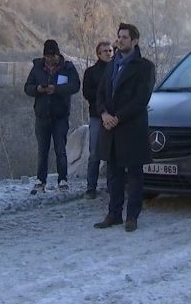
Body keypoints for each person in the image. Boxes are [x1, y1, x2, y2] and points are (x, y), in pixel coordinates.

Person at [93, 23, 156, 232]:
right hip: (109, 127)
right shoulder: (112, 64)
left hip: (131, 128)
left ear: (135, 41)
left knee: (135, 174)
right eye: (118, 37)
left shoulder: (145, 67)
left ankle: (132, 216)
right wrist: (103, 114)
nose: (119, 40)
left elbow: (140, 99)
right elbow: (100, 92)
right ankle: (114, 213)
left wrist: (117, 117)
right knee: (113, 173)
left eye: (124, 38)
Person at [23, 39, 80, 194]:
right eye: (47, 56)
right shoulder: (37, 68)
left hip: (60, 115)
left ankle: (63, 179)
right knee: (43, 150)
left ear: (58, 54)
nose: (50, 59)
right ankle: (40, 180)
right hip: (41, 115)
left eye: (53, 56)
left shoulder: (67, 68)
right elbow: (27, 88)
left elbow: (75, 86)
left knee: (60, 149)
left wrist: (57, 89)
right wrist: (37, 89)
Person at [82, 41, 114, 199]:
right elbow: (87, 93)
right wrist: (103, 94)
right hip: (96, 116)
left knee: (112, 154)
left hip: (114, 116)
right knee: (94, 153)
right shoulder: (91, 72)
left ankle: (112, 185)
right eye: (105, 51)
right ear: (98, 53)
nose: (108, 53)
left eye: (110, 50)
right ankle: (91, 187)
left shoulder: (116, 69)